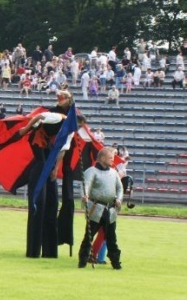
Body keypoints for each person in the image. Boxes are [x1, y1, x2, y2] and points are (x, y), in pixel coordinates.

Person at [16, 90, 76, 258]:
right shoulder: (57, 116)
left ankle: (50, 251)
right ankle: (34, 250)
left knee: (51, 204)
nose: (60, 98)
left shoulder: (70, 128)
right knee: (39, 202)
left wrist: (56, 169)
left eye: (63, 96)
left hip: (49, 150)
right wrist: (25, 129)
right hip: (39, 143)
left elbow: (63, 149)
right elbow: (39, 117)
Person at [78, 147, 123, 269]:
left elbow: (119, 188)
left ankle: (116, 262)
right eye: (110, 158)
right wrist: (85, 196)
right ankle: (82, 261)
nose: (112, 160)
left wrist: (119, 199)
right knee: (89, 237)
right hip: (96, 208)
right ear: (102, 158)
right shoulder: (91, 171)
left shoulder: (113, 173)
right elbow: (85, 186)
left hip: (110, 210)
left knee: (112, 238)